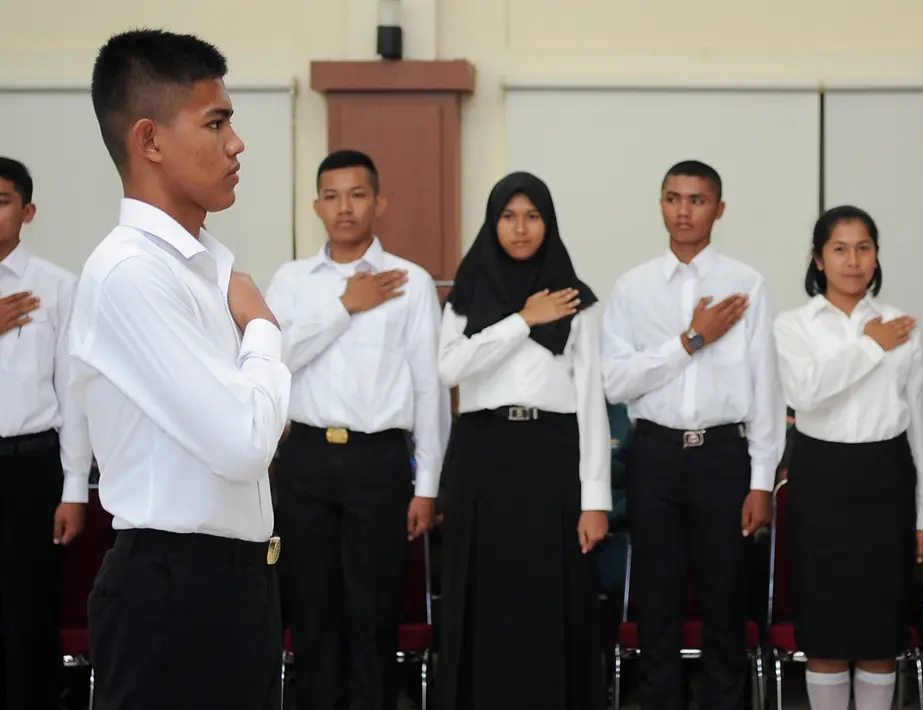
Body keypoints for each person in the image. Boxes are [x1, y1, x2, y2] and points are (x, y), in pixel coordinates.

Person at [71, 30, 291, 710]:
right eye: (216, 122)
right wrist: (262, 329)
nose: (236, 144)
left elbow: (255, 435)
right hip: (171, 591)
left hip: (235, 584)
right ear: (150, 140)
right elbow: (245, 442)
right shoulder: (132, 272)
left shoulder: (206, 267)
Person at [264, 149, 450, 710]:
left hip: (380, 463)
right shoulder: (292, 281)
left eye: (357, 194)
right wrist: (345, 306)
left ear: (379, 202)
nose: (344, 207)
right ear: (317, 205)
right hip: (306, 461)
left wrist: (428, 487)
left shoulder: (411, 283)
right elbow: (272, 360)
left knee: (373, 614)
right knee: (313, 613)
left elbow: (430, 390)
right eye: (332, 195)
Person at [601, 160, 785, 710]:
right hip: (655, 455)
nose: (684, 211)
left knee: (725, 603)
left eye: (697, 200)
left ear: (719, 209)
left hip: (724, 456)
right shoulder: (632, 289)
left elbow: (767, 391)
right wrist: (691, 340)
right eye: (673, 198)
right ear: (660, 204)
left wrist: (760, 481)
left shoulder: (747, 285)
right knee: (656, 603)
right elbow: (615, 380)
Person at [434, 171, 610, 710]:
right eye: (508, 216)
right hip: (483, 459)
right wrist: (522, 320)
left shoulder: (575, 302)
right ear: (493, 223)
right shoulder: (465, 296)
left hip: (552, 456)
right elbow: (449, 369)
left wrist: (595, 500)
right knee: (484, 598)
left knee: (550, 600)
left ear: (548, 223)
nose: (520, 227)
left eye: (532, 216)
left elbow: (592, 405)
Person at [773, 206, 923, 710]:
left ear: (876, 256)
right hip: (821, 477)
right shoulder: (794, 325)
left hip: (886, 477)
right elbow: (806, 394)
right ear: (818, 260)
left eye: (863, 248)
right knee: (825, 632)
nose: (852, 260)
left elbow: (917, 423)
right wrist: (869, 346)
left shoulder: (899, 324)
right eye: (839, 249)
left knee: (880, 633)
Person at [0, 157, 90, 710]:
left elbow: (74, 391)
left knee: (28, 612)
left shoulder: (57, 287)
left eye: (2, 200)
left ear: (27, 211)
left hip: (29, 466)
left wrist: (74, 488)